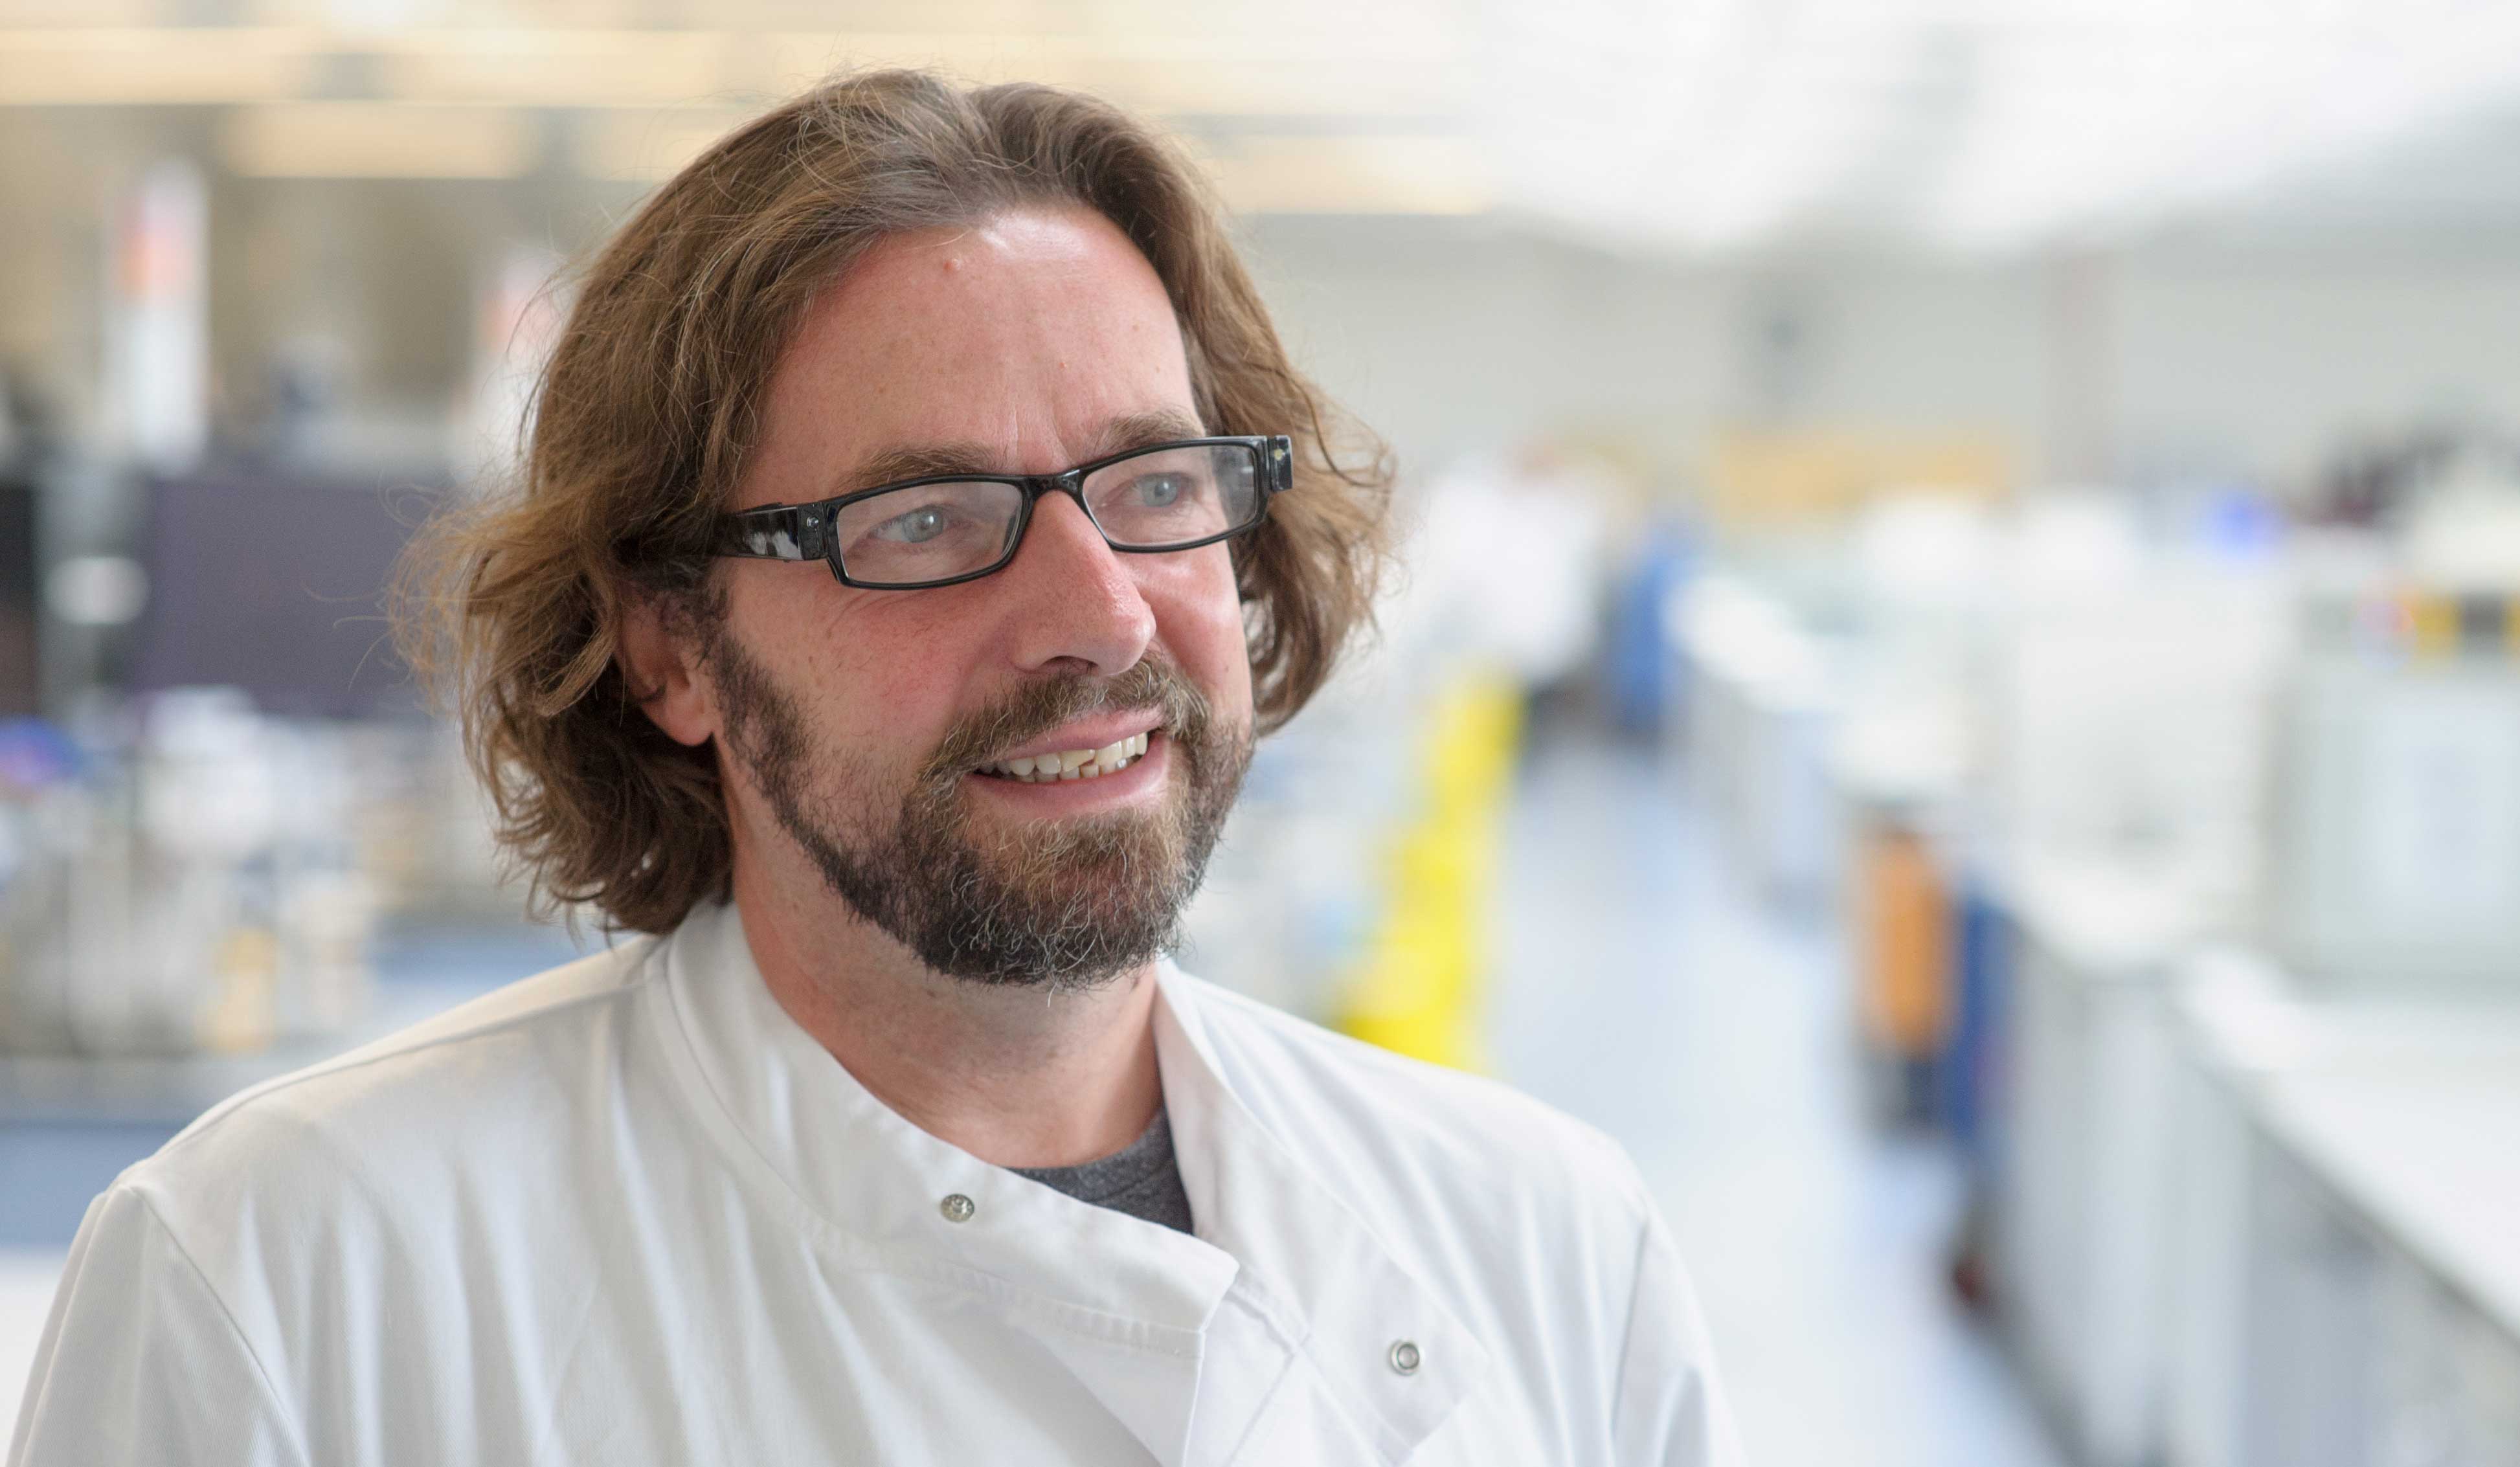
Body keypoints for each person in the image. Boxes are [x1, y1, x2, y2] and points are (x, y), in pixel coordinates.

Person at [9, 71, 1742, 1466]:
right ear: (670, 645)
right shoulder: (287, 1277)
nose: (1095, 613)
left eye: (1150, 485)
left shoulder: (1544, 1238)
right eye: (925, 520)